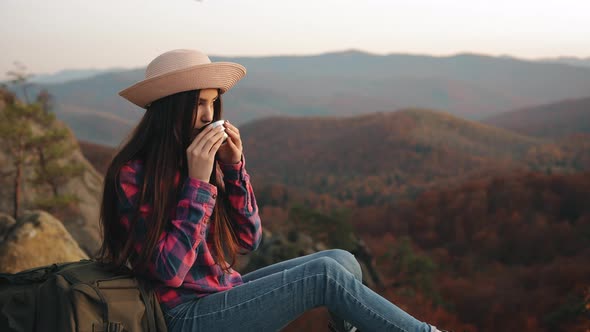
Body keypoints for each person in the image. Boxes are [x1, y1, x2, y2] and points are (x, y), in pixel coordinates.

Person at [96, 49, 447, 332]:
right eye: (197, 105)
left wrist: (234, 168)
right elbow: (169, 272)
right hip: (183, 317)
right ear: (169, 109)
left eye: (211, 103)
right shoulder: (133, 174)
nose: (207, 116)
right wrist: (198, 185)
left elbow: (249, 239)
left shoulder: (193, 159)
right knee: (324, 276)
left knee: (342, 260)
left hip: (220, 293)